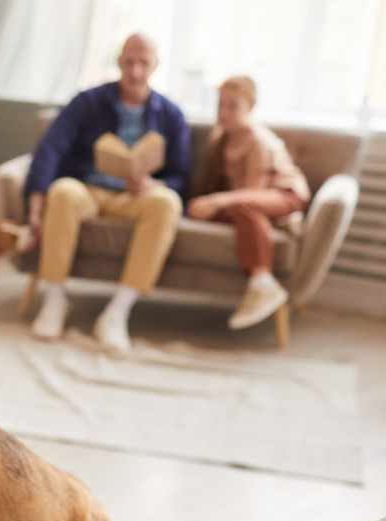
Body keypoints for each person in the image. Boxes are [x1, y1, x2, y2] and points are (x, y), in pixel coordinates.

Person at [22, 33, 191, 352]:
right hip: (88, 187)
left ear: (156, 65)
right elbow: (50, 149)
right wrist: (35, 206)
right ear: (119, 62)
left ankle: (117, 312)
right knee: (63, 191)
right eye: (130, 62)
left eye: (144, 63)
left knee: (167, 203)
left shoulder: (171, 115)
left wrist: (155, 185)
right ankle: (55, 298)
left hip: (137, 196)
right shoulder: (87, 101)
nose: (136, 71)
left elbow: (182, 177)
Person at [187, 75, 310, 329]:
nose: (224, 112)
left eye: (233, 106)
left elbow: (252, 193)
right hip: (245, 202)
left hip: (282, 193)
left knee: (243, 207)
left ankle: (262, 282)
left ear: (250, 108)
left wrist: (216, 201)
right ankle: (273, 227)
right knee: (220, 209)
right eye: (220, 105)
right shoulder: (221, 139)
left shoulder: (258, 141)